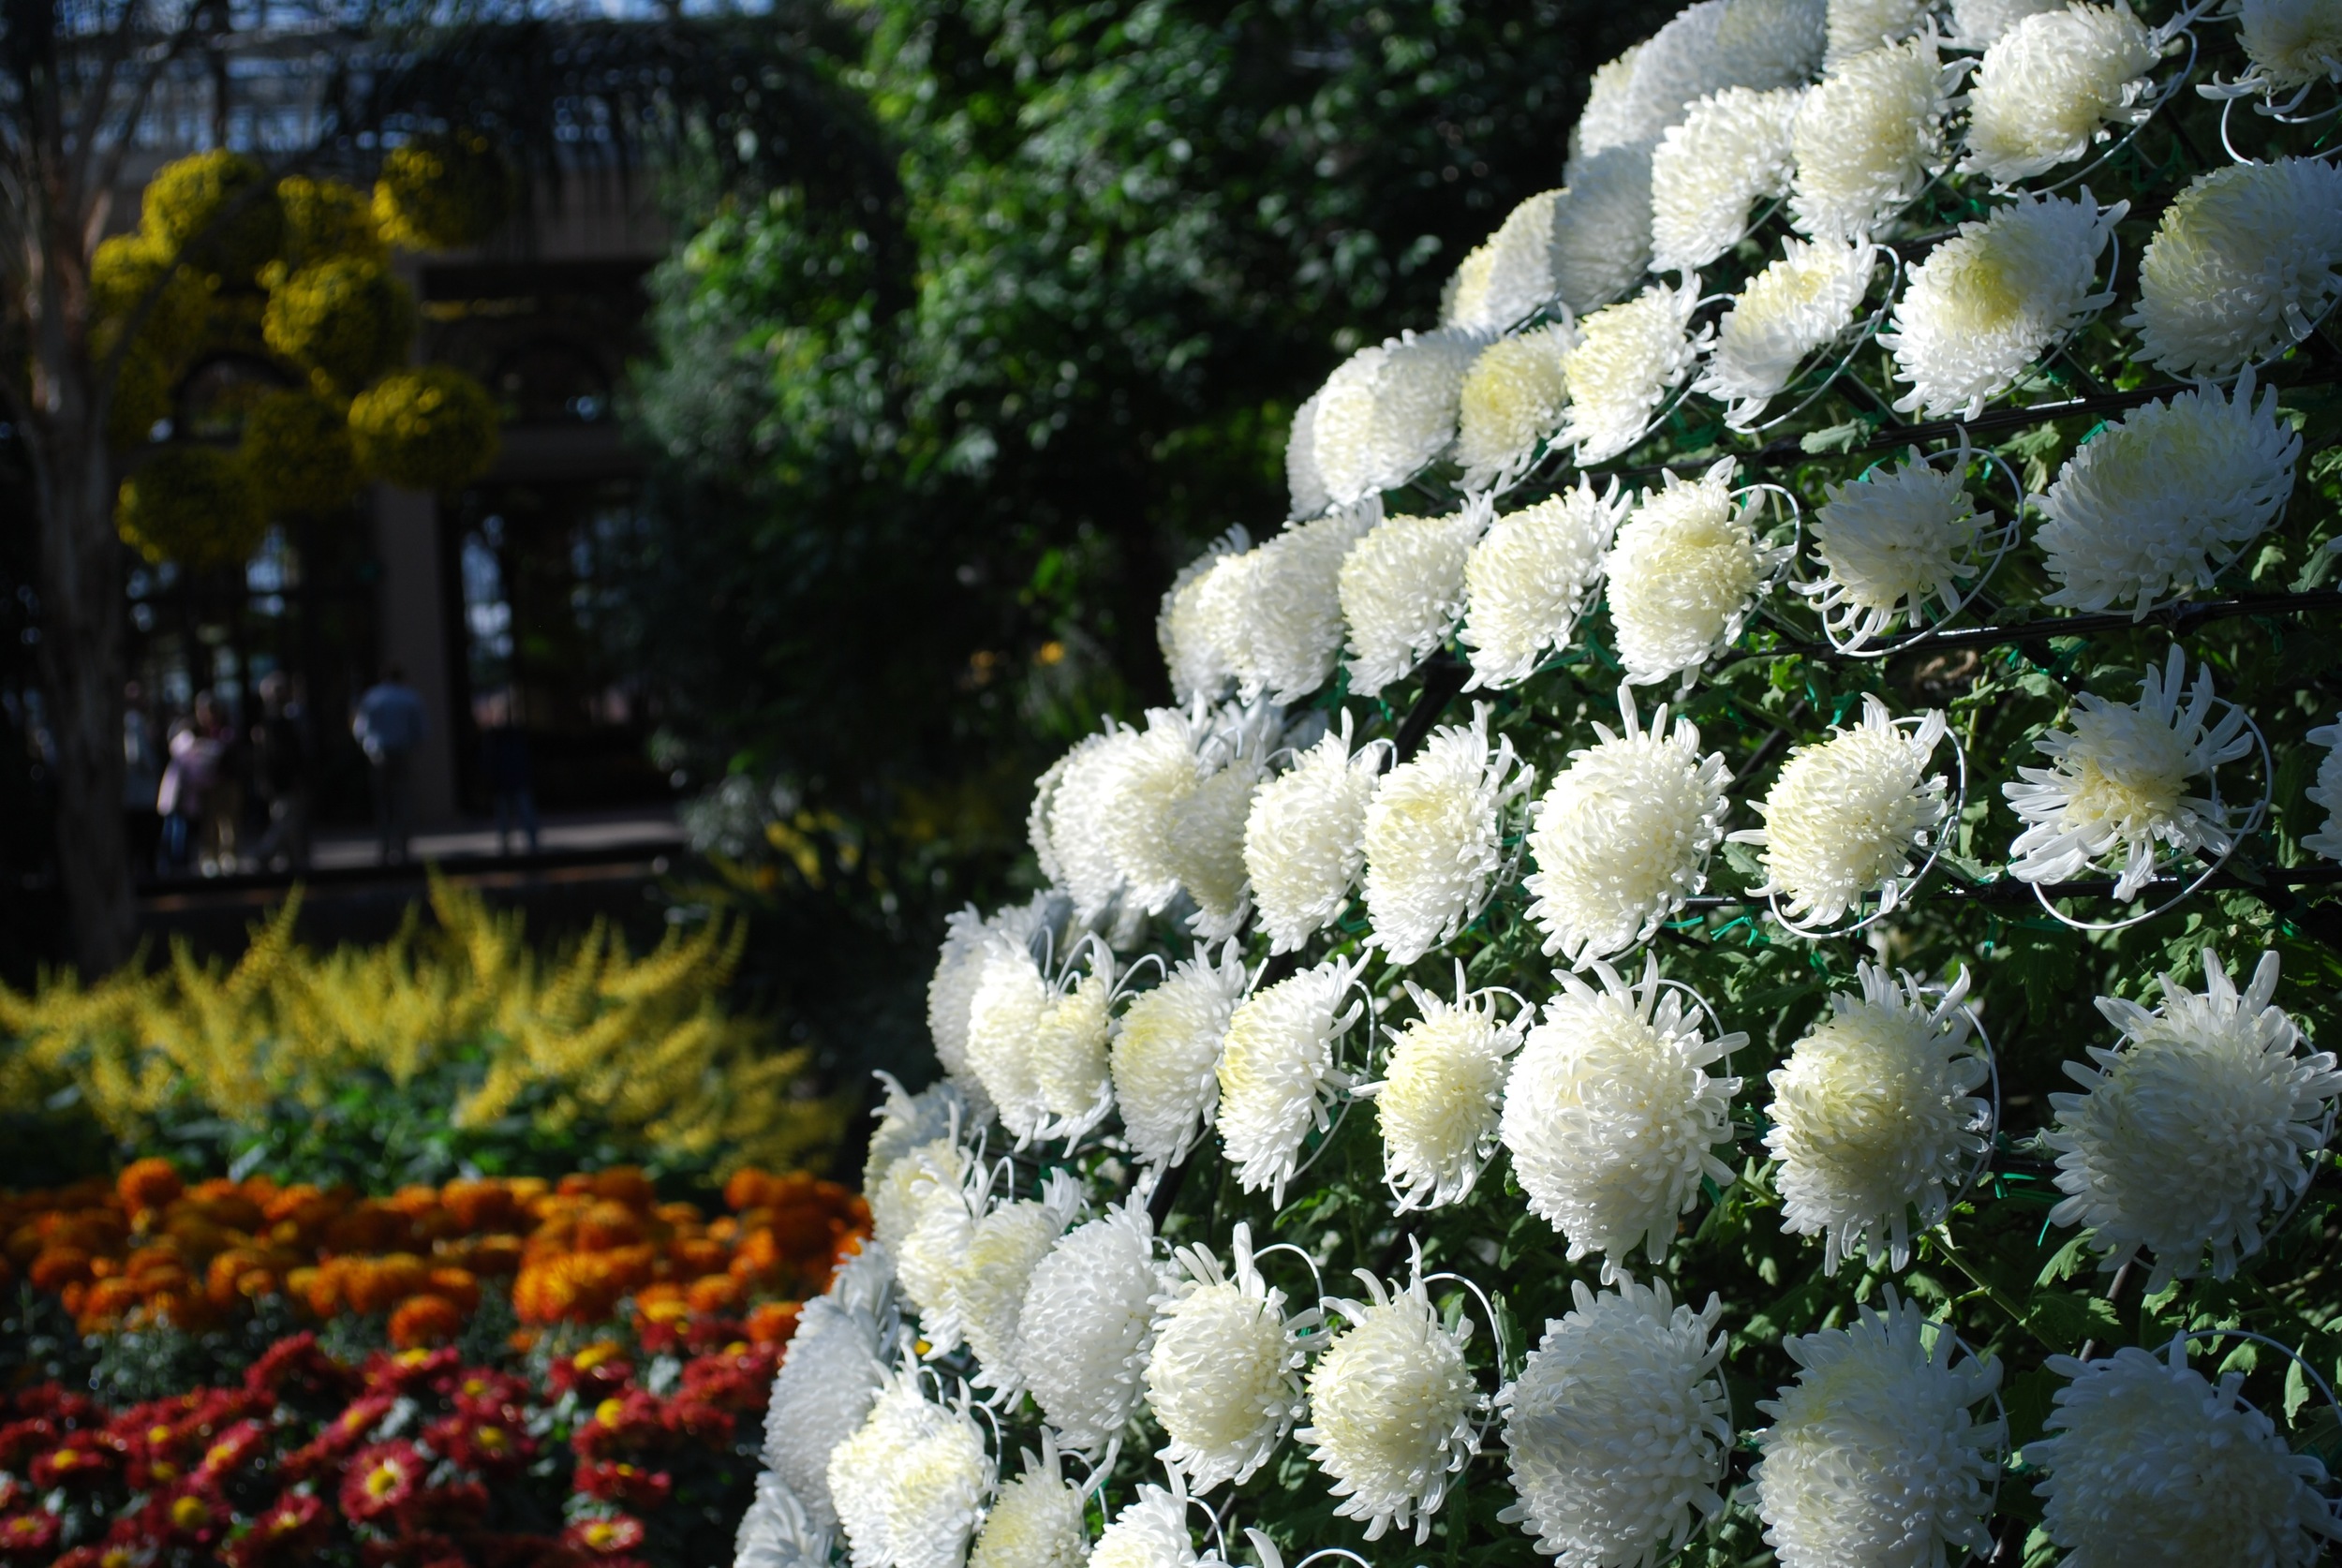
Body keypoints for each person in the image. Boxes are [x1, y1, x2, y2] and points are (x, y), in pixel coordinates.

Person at [353, 665, 427, 864]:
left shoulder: (372, 698)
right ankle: (403, 846)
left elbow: (360, 730)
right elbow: (421, 730)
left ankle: (385, 846)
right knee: (403, 800)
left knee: (382, 802)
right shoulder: (410, 697)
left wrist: (370, 748)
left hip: (379, 754)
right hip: (402, 753)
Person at [248, 672, 311, 871]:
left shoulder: (276, 721)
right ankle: (265, 853)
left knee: (288, 821)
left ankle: (291, 861)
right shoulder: (273, 723)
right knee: (285, 822)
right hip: (281, 783)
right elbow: (279, 757)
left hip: (279, 782)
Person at [476, 689, 540, 855]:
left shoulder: (513, 734)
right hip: (505, 780)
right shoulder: (496, 736)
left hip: (514, 779)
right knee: (506, 816)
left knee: (521, 814)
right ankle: (509, 847)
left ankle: (531, 845)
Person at [122, 681, 162, 877]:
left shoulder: (133, 720)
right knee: (144, 834)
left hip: (136, 792)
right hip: (140, 792)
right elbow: (136, 755)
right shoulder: (134, 721)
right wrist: (153, 766)